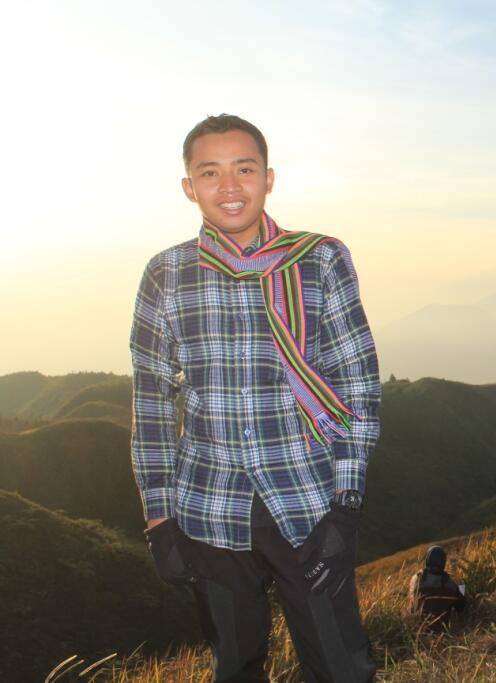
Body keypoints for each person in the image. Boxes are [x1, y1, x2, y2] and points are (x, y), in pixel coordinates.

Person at [131, 115, 380, 682]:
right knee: (235, 666)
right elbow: (150, 403)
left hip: (307, 500)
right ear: (189, 187)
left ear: (268, 178)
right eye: (210, 173)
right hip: (206, 504)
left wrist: (346, 504)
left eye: (243, 169)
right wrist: (159, 519)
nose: (229, 187)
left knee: (342, 667)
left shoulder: (320, 259)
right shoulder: (166, 274)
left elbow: (357, 383)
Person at [406, 545, 466, 632]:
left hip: (413, 630)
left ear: (427, 560)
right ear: (443, 563)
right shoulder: (450, 585)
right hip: (439, 634)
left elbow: (410, 599)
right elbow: (461, 607)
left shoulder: (416, 578)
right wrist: (460, 585)